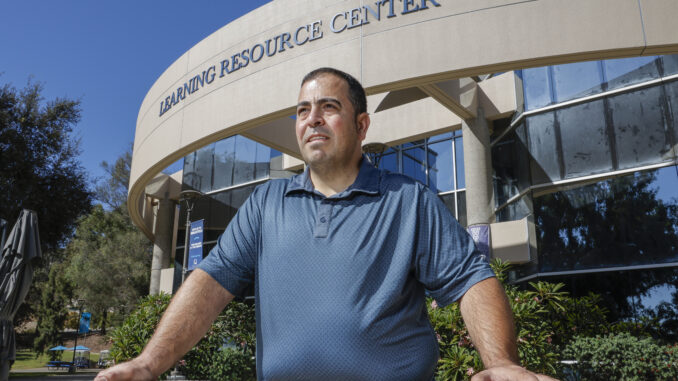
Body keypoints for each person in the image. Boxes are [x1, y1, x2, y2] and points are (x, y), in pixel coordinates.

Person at [95, 68, 557, 381]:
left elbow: (471, 281)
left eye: (327, 107)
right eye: (302, 110)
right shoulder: (266, 203)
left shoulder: (407, 200)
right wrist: (149, 364)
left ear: (361, 125)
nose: (311, 119)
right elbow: (208, 285)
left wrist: (501, 364)